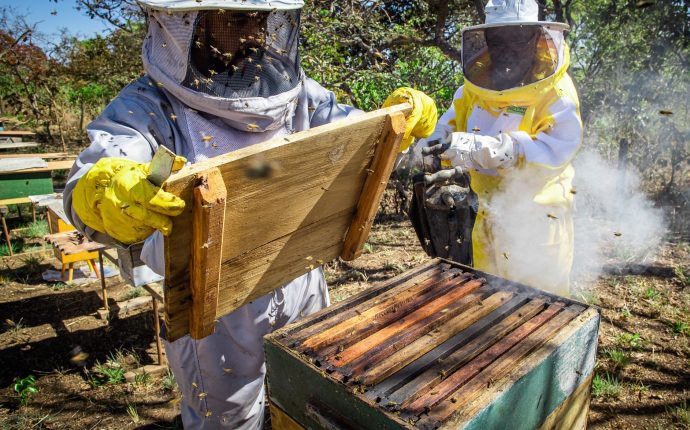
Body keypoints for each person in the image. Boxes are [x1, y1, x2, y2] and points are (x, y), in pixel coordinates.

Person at [63, 1, 436, 428]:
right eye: (237, 19)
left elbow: (351, 134)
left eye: (261, 18)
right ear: (186, 25)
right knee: (229, 419)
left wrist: (394, 122)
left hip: (301, 274)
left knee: (307, 399)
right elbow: (95, 172)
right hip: (213, 305)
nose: (254, 31)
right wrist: (103, 191)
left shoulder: (296, 91)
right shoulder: (147, 106)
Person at [422, 0, 582, 296]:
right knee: (490, 302)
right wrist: (427, 146)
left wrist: (488, 150)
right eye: (498, 40)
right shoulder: (471, 90)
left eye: (517, 38)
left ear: (535, 38)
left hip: (537, 221)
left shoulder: (557, 94)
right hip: (485, 215)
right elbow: (445, 129)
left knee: (539, 308)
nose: (507, 49)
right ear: (486, 39)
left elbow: (557, 149)